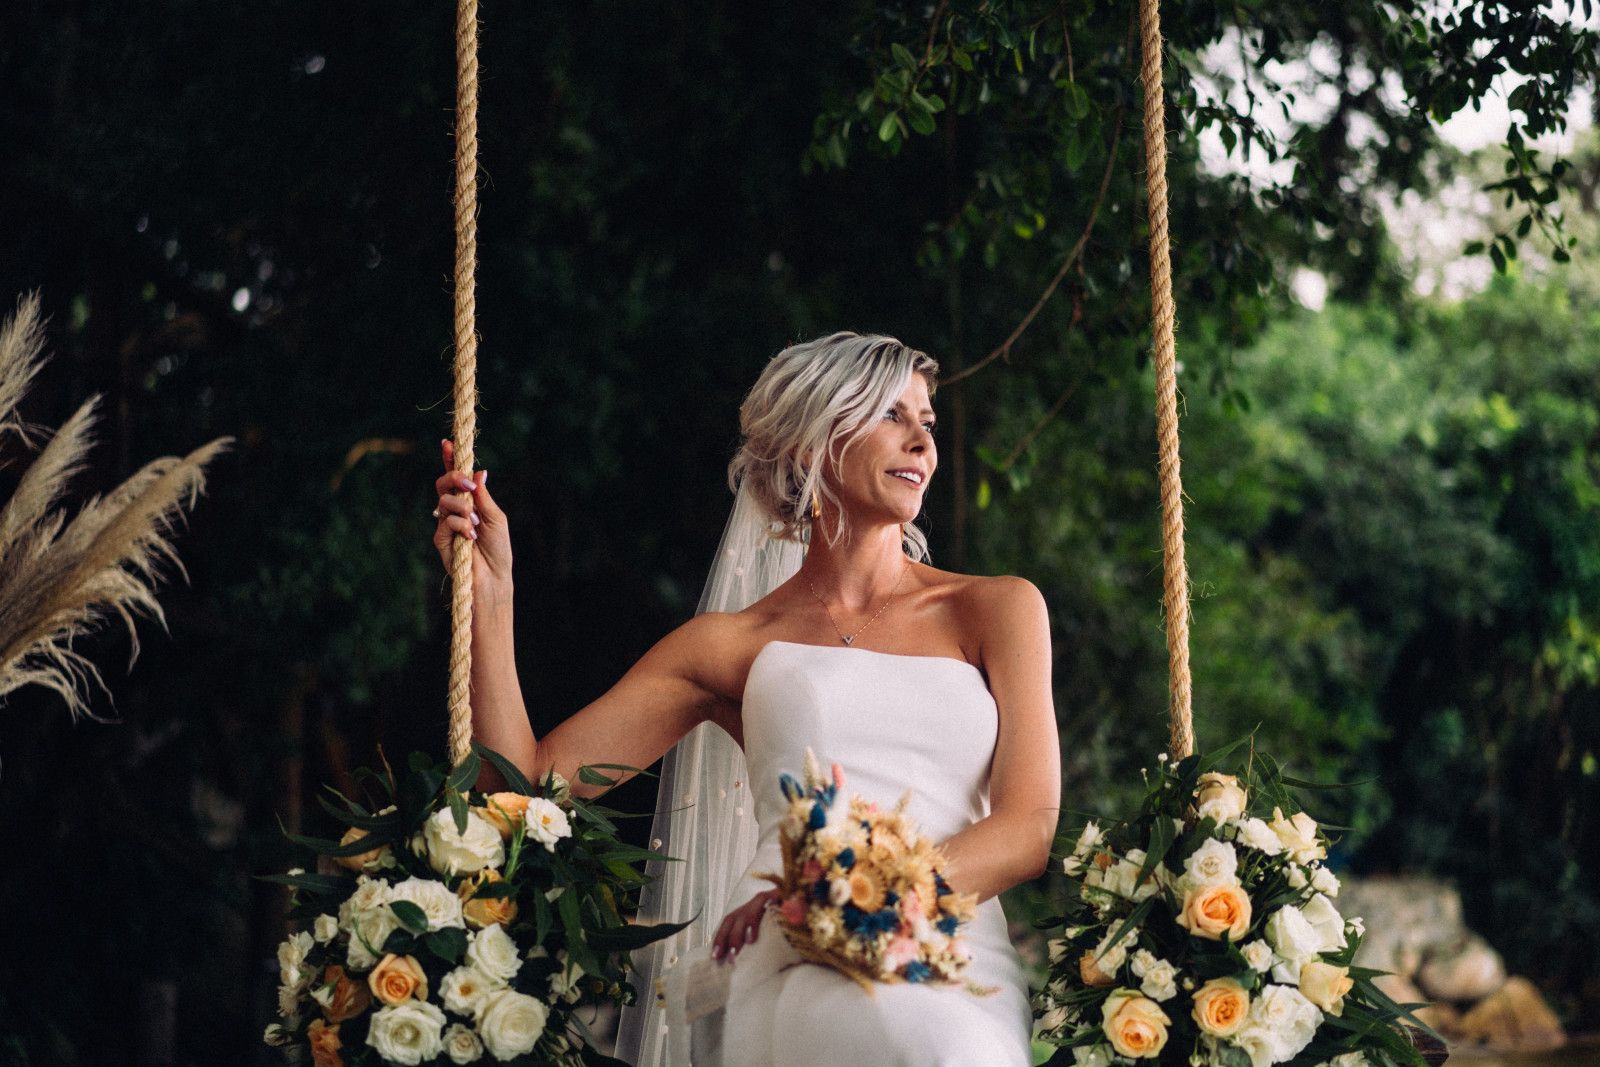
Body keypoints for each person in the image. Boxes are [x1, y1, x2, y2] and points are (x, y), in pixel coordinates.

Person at [430, 331, 1061, 1066]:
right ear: (808, 444)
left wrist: (846, 898)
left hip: (956, 959)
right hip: (790, 956)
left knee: (953, 1048)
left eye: (928, 420)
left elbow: (1027, 828)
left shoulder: (998, 608)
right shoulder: (727, 646)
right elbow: (523, 790)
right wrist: (493, 599)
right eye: (891, 414)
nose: (922, 439)